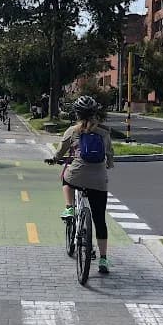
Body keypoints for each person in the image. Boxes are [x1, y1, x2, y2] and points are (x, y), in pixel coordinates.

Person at [45, 95, 114, 274]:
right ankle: (104, 260)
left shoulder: (72, 131)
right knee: (100, 220)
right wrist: (108, 164)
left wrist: (55, 159)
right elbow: (109, 155)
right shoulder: (104, 132)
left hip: (76, 176)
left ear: (76, 114)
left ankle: (69, 207)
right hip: (98, 180)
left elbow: (60, 152)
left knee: (65, 178)